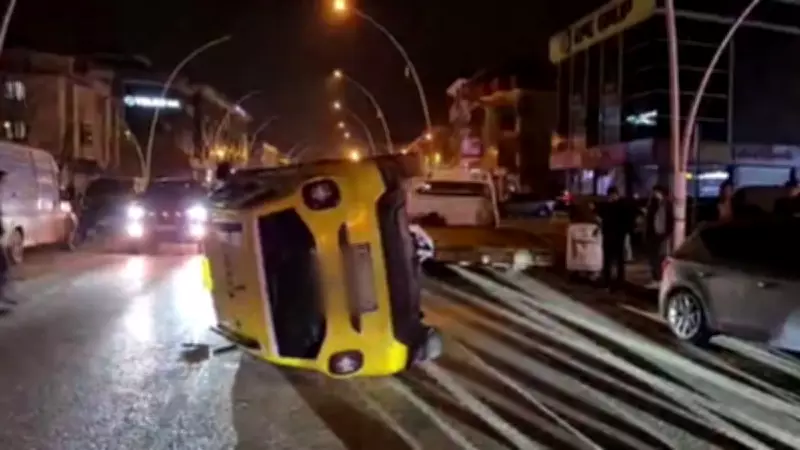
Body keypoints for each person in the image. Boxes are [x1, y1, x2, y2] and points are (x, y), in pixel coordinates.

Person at [597, 186, 633, 291]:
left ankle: (618, 282)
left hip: (618, 237)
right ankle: (607, 280)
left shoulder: (622, 206)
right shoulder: (607, 206)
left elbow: (627, 221)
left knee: (618, 261)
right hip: (609, 236)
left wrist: (625, 232)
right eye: (611, 195)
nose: (612, 197)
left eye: (613, 195)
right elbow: (602, 217)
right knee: (608, 260)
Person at [644, 185, 675, 289]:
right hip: (652, 234)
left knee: (659, 257)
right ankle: (655, 278)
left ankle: (658, 279)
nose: (654, 194)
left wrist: (666, 234)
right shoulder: (653, 203)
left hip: (660, 235)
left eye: (656, 192)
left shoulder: (666, 205)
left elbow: (669, 221)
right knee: (653, 257)